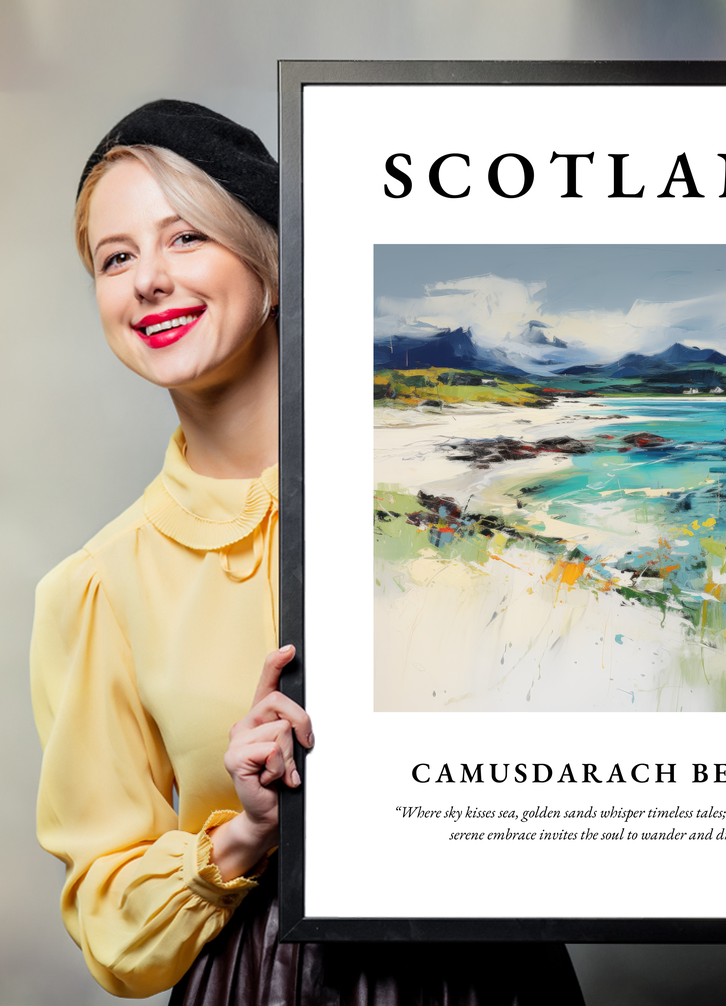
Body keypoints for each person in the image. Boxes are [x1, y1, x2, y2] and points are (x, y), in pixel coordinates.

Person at [30, 100, 585, 1004]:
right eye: (116, 257)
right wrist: (245, 832)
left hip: (492, 973)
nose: (148, 281)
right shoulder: (98, 587)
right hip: (262, 982)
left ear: (273, 264)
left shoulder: (455, 496)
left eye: (185, 239)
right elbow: (110, 923)